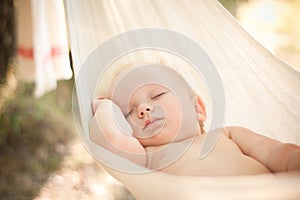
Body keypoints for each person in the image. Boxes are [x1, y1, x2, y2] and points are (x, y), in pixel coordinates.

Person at [89, 64, 300, 176]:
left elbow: (273, 152)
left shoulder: (228, 134)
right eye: (127, 112)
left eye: (157, 95)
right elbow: (111, 137)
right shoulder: (146, 158)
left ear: (197, 108)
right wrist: (104, 107)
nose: (143, 109)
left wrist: (293, 161)